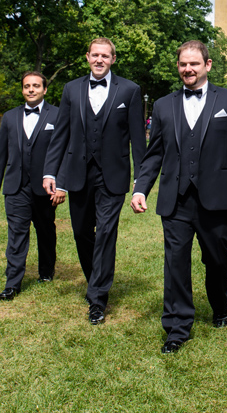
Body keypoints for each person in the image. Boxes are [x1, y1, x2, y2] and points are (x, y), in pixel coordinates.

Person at [131, 41, 227, 354]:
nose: (188, 69)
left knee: (218, 260)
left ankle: (220, 302)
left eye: (194, 64)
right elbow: (154, 153)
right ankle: (177, 327)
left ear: (208, 65)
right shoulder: (163, 105)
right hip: (176, 200)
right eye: (183, 64)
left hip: (218, 199)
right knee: (175, 264)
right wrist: (141, 187)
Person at [43, 38, 145, 325]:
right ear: (87, 57)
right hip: (78, 174)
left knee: (106, 235)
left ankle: (98, 299)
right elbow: (60, 134)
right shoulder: (71, 89)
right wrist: (51, 172)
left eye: (105, 55)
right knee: (81, 234)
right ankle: (94, 281)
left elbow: (138, 140)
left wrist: (141, 182)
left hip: (112, 177)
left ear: (113, 59)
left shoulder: (130, 90)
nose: (99, 60)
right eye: (95, 55)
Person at [0, 71, 62, 301]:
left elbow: (63, 153)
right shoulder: (9, 117)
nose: (31, 89)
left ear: (44, 89)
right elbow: (0, 154)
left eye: (36, 86)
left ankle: (46, 271)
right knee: (17, 233)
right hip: (16, 187)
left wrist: (62, 185)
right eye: (27, 86)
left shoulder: (58, 115)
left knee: (46, 230)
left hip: (45, 188)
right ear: (22, 90)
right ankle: (13, 283)